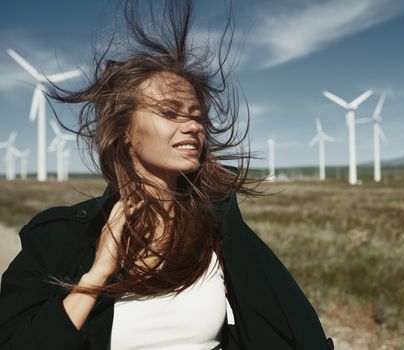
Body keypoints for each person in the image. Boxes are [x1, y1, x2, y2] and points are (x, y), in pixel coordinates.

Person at [0, 1, 333, 349]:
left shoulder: (219, 232)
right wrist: (97, 275)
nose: (191, 126)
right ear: (124, 129)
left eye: (197, 117)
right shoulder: (59, 240)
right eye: (170, 113)